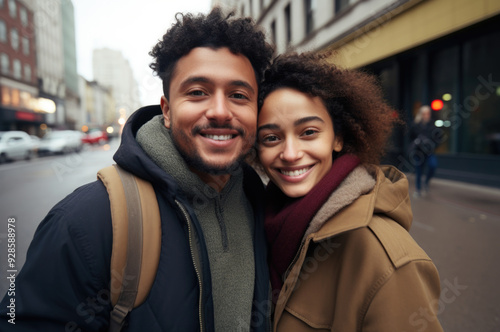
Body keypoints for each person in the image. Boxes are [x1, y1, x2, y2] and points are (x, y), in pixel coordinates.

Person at [0, 8, 274, 331]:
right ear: (167, 110)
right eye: (197, 92)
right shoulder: (86, 221)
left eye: (238, 95)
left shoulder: (264, 205)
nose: (219, 111)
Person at [256, 52, 444, 331]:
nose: (291, 153)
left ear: (338, 138)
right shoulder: (261, 222)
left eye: (308, 132)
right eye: (272, 138)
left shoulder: (387, 260)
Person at [410, 105, 439, 197]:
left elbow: (438, 138)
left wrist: (432, 144)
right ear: (421, 114)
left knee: (433, 165)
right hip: (418, 152)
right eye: (424, 113)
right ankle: (418, 190)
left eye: (428, 113)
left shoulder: (433, 124)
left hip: (429, 151)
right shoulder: (415, 125)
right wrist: (417, 142)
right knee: (418, 170)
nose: (426, 115)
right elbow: (410, 138)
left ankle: (426, 182)